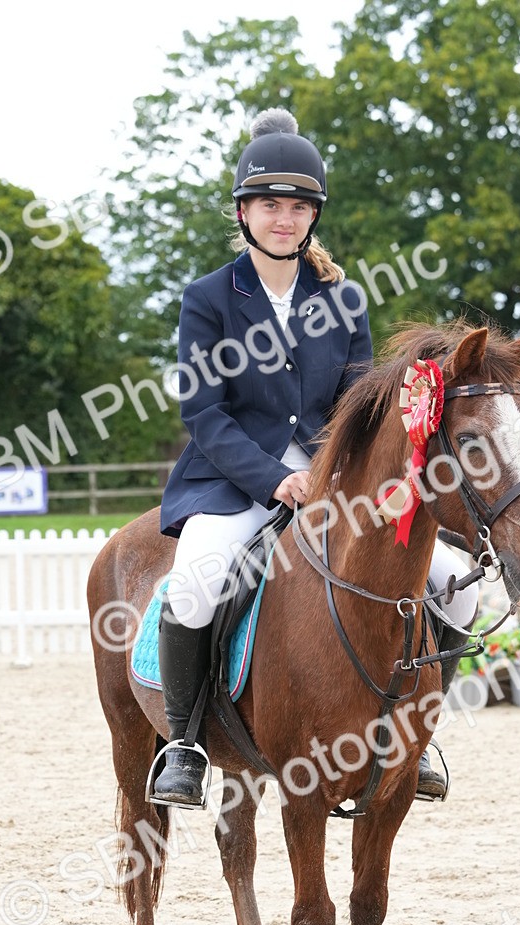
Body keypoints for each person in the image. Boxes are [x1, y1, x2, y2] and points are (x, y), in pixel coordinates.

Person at [152, 108, 476, 808]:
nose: (284, 218)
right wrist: (277, 478)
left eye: (299, 207)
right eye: (270, 205)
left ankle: (417, 732)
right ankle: (183, 744)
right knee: (197, 581)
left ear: (313, 216)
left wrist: (337, 472)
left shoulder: (341, 297)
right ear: (243, 212)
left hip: (335, 479)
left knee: (459, 585)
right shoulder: (208, 299)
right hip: (234, 480)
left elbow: (355, 405)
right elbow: (204, 414)